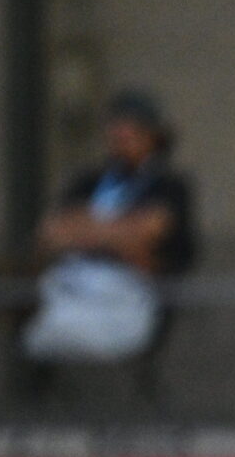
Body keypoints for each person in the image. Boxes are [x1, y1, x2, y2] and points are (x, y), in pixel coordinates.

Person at [25, 90, 196, 362]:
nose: (121, 138)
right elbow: (51, 231)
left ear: (153, 135)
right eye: (116, 130)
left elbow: (151, 231)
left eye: (132, 131)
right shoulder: (90, 180)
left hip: (134, 296)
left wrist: (88, 228)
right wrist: (120, 232)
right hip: (73, 287)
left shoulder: (168, 185)